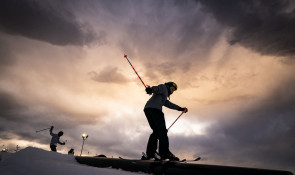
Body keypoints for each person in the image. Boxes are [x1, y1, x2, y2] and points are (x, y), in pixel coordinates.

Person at [142, 82, 188, 161]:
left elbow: (168, 104)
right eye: (172, 89)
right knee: (162, 131)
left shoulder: (163, 97)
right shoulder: (164, 88)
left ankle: (151, 153)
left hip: (148, 109)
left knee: (156, 131)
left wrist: (180, 108)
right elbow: (157, 88)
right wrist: (151, 89)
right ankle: (164, 153)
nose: (172, 91)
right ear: (169, 86)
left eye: (174, 90)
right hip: (155, 110)